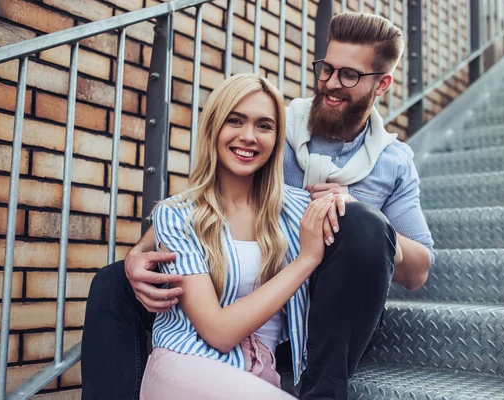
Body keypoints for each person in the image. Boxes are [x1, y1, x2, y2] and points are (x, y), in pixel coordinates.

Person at [81, 12, 433, 400]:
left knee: (361, 222)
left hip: (328, 314)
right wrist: (138, 253)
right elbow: (205, 202)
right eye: (326, 69)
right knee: (113, 282)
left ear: (382, 84)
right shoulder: (272, 130)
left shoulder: (393, 160)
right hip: (243, 290)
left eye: (348, 75)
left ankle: (322, 390)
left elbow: (417, 272)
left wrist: (356, 216)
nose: (331, 84)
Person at [140, 73, 333, 399]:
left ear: (276, 138)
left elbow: (382, 245)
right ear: (214, 127)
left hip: (257, 376)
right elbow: (218, 331)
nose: (249, 136)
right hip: (185, 368)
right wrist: (307, 260)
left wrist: (348, 203)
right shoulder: (177, 215)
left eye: (264, 126)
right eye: (235, 121)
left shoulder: (299, 210)